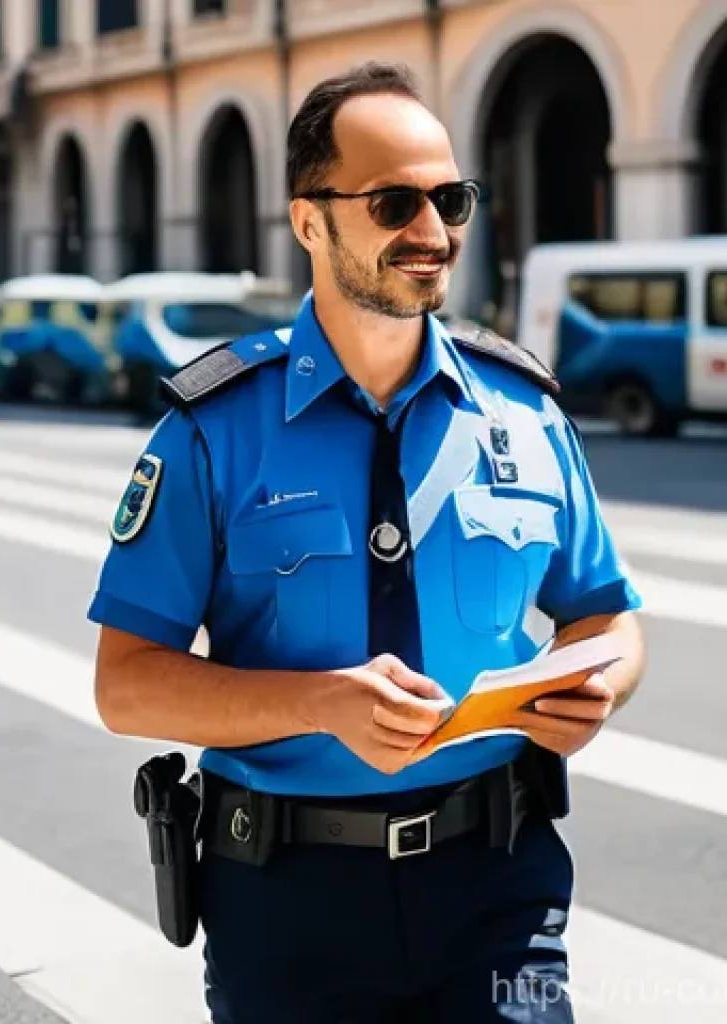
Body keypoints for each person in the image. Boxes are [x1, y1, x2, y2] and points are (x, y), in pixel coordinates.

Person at [87, 62, 648, 1023]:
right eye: (395, 203)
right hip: (286, 898)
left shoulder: (523, 410)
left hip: (500, 885)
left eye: (449, 199)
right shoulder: (214, 428)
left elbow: (606, 614)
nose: (432, 234)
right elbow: (126, 682)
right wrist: (318, 704)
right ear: (311, 221)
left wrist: (595, 686)